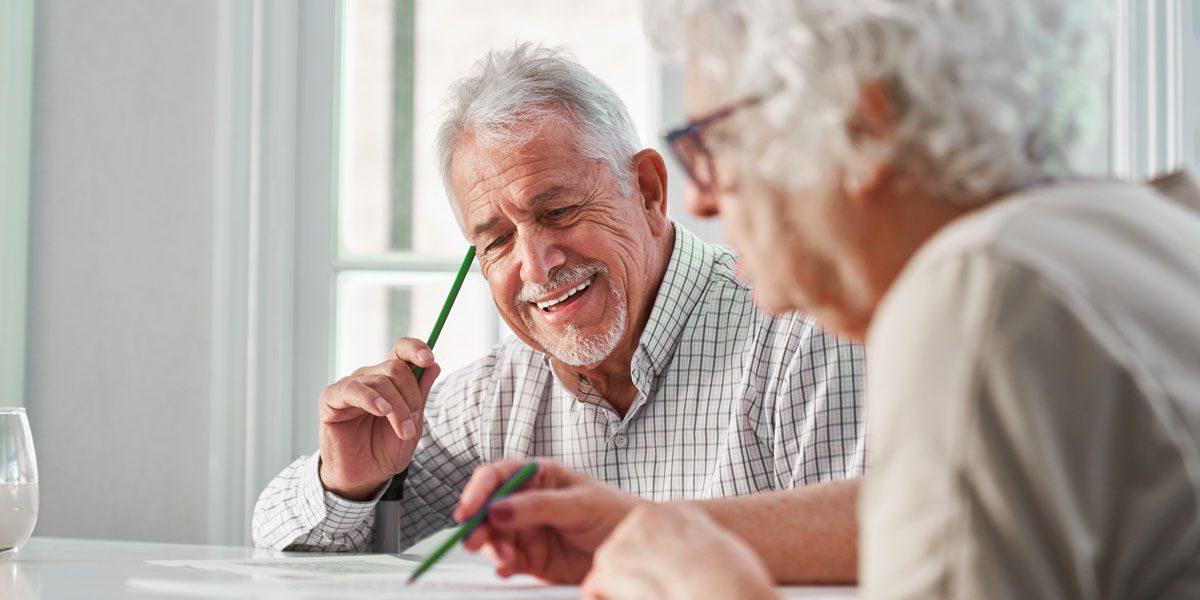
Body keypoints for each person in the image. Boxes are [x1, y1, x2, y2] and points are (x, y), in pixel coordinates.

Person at [457, 1, 1200, 598]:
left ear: (862, 130)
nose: (702, 199)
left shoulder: (974, 294)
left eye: (711, 143)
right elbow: (934, 512)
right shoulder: (1132, 230)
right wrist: (649, 526)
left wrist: (715, 590)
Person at [251, 43, 866, 568]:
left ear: (648, 192)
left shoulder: (802, 338)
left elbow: (879, 559)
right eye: (497, 240)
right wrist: (348, 484)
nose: (536, 265)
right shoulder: (498, 395)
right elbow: (280, 549)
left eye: (559, 211)